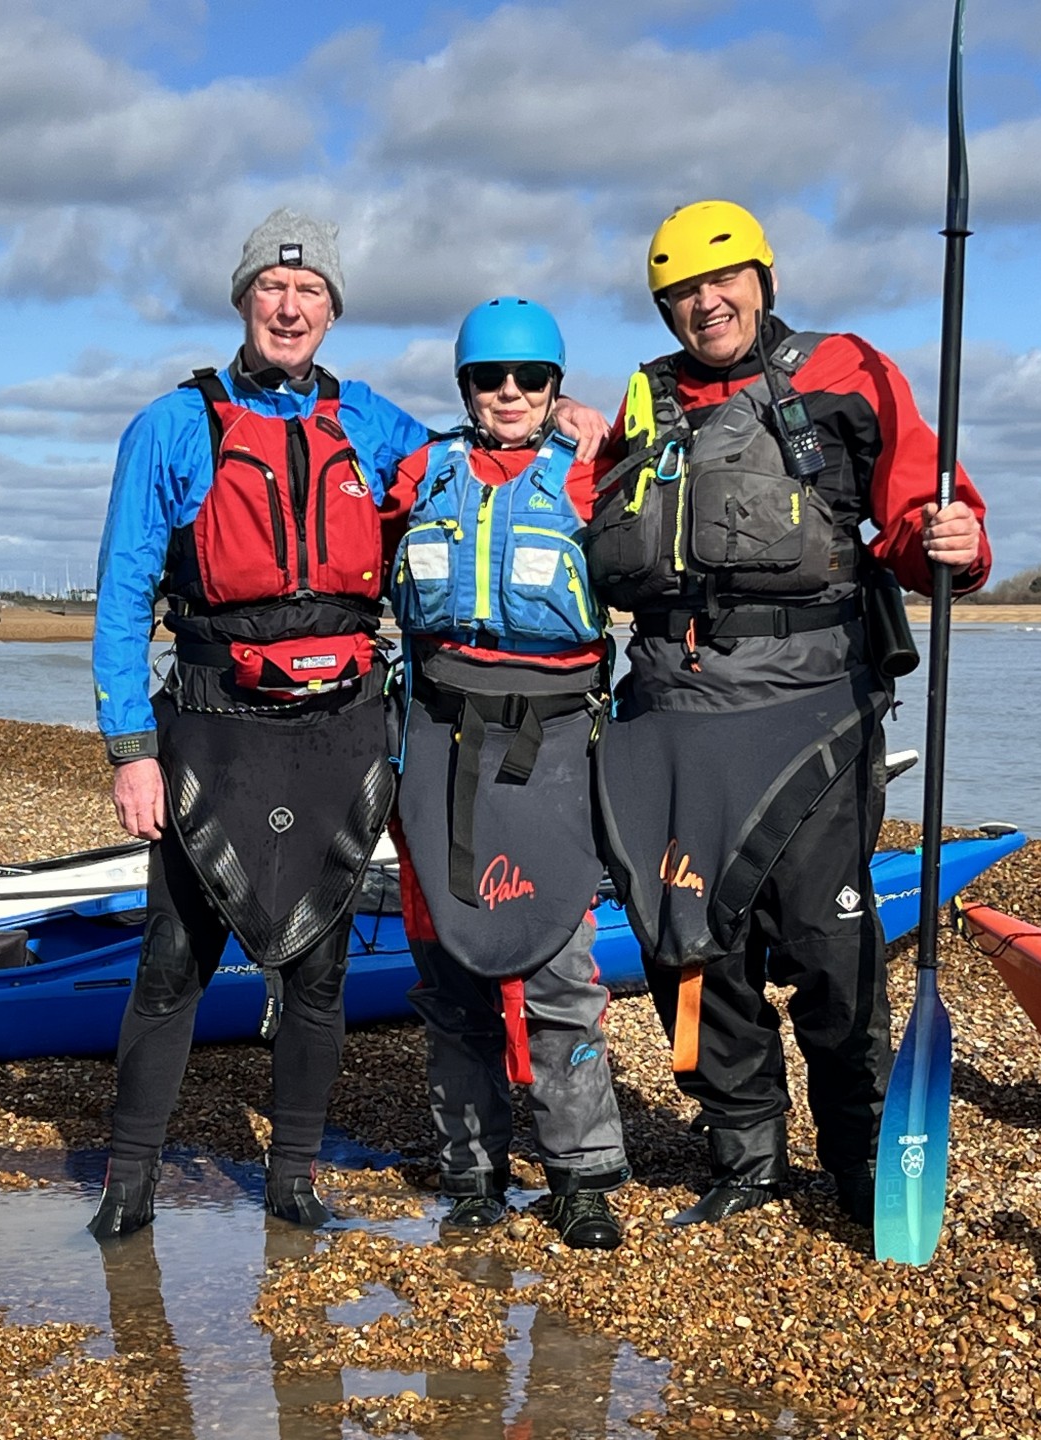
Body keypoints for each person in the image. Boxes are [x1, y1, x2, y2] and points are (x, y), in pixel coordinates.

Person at [89, 210, 608, 1239]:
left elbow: (482, 464)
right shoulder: (171, 425)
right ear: (244, 300)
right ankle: (127, 1184)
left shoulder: (370, 423)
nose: (290, 308)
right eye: (272, 290)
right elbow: (121, 593)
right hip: (213, 722)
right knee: (172, 961)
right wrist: (130, 750)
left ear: (330, 311)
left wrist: (573, 419)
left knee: (318, 972)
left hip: (338, 729)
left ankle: (292, 1181)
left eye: (311, 293)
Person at [586, 200, 990, 1228]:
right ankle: (744, 1152)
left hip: (812, 710)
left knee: (826, 945)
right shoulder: (642, 399)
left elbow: (918, 507)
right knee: (689, 949)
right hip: (670, 716)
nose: (706, 304)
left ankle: (860, 1158)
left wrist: (952, 540)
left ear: (763, 280)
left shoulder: (848, 370)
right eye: (683, 291)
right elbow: (590, 512)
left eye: (724, 281)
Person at [387, 297, 629, 1250]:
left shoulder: (590, 475)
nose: (512, 393)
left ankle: (582, 1177)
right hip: (441, 751)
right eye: (492, 379)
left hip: (553, 753)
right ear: (467, 389)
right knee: (451, 974)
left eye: (532, 379)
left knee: (561, 970)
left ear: (556, 386)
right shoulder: (420, 473)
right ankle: (473, 1173)